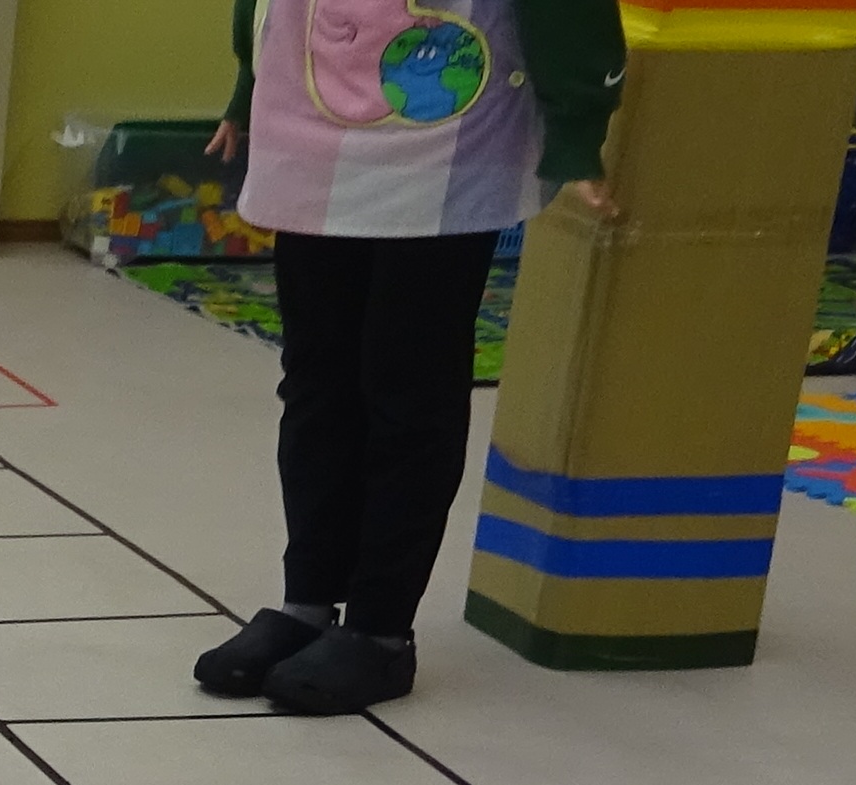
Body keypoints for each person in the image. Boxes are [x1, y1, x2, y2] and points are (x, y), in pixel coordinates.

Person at [191, 0, 627, 714]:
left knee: (408, 387)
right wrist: (250, 81)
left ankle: (380, 628)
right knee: (317, 383)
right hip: (308, 119)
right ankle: (306, 602)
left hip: (443, 135)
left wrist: (577, 128)